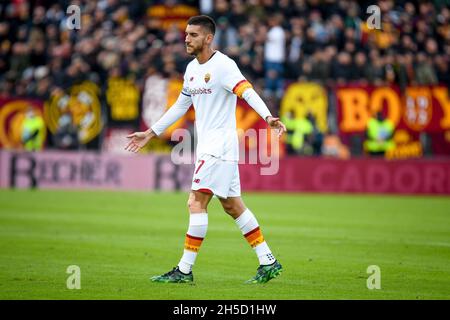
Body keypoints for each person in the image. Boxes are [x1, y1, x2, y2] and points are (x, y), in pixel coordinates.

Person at [125, 15, 286, 284]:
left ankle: (184, 271)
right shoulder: (191, 70)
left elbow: (247, 91)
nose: (186, 39)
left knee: (195, 202)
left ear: (208, 38)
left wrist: (268, 117)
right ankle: (268, 261)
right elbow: (180, 106)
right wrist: (151, 133)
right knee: (233, 206)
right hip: (212, 148)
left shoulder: (224, 66)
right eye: (186, 34)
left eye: (193, 35)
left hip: (218, 147)